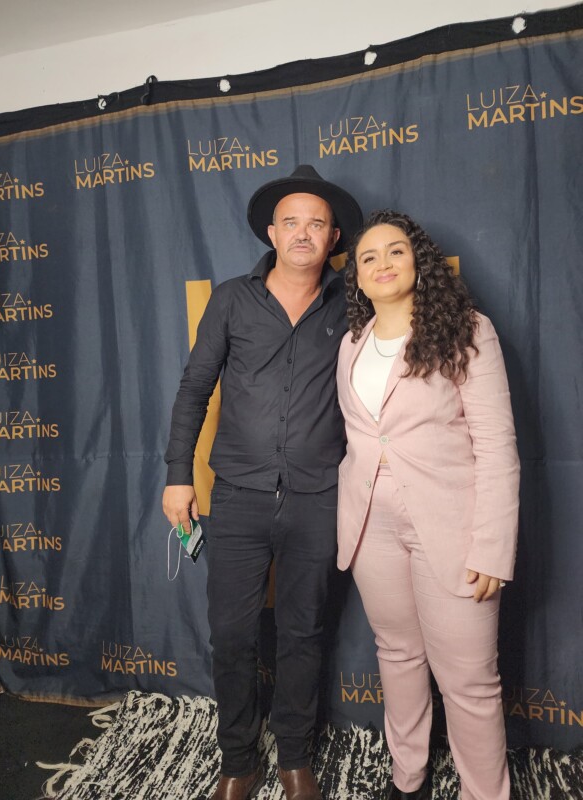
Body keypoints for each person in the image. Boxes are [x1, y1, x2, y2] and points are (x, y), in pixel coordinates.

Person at [163, 165, 363, 800]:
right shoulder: (230, 299)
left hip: (318, 497)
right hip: (240, 498)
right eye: (291, 221)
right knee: (233, 635)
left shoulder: (354, 303)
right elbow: (195, 390)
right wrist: (176, 476)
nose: (303, 232)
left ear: (333, 237)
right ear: (273, 232)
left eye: (316, 222)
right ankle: (238, 761)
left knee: (304, 631)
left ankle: (296, 758)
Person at [336, 209, 520, 800]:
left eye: (395, 251)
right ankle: (407, 779)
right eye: (368, 257)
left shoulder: (467, 330)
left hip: (454, 527)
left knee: (468, 681)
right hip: (371, 529)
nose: (382, 264)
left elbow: (497, 446)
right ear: (357, 277)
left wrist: (493, 546)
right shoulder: (350, 345)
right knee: (398, 656)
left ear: (418, 261)